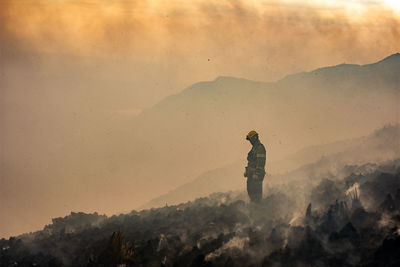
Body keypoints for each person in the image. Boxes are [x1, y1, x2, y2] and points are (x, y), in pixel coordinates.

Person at [244, 130, 266, 203]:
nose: (250, 141)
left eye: (250, 139)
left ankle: (258, 209)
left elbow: (261, 162)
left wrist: (257, 174)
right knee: (251, 193)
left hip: (256, 176)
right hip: (251, 175)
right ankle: (254, 207)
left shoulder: (260, 148)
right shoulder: (254, 148)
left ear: (255, 138)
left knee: (256, 195)